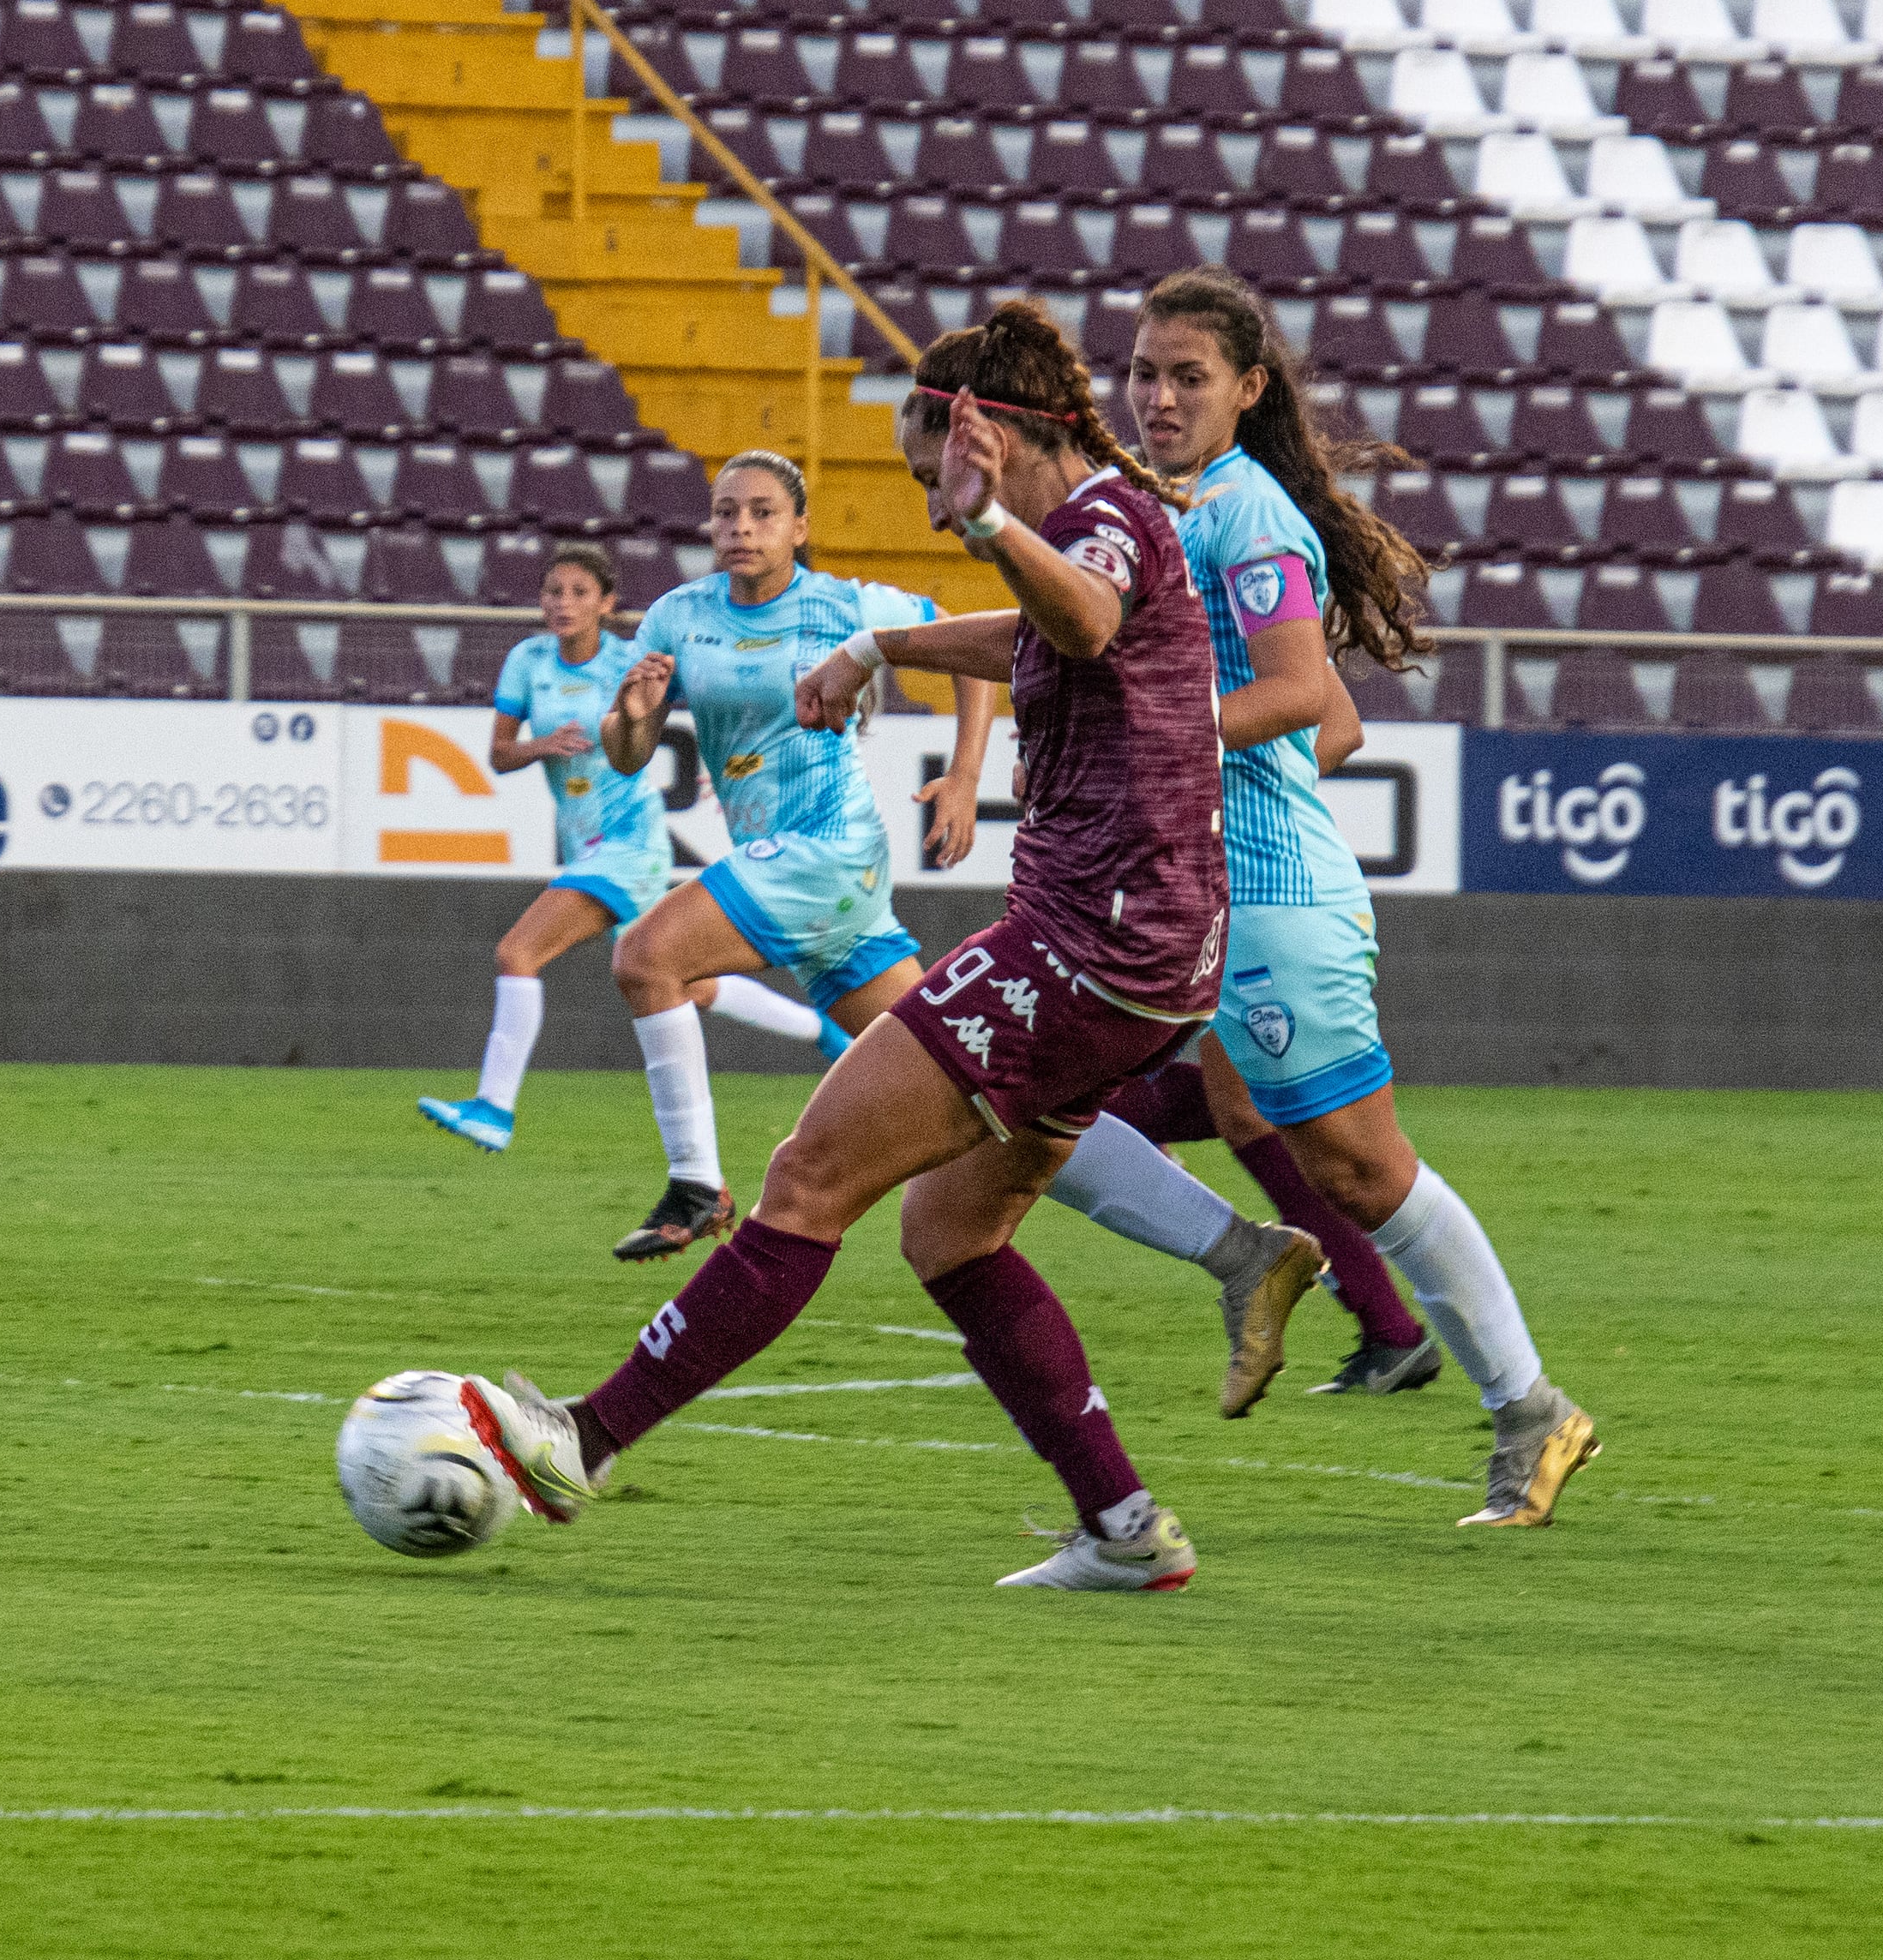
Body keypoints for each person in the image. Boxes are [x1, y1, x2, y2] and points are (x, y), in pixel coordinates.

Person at [448, 302, 1270, 1592]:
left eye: (936, 479)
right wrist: (883, 646)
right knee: (949, 1236)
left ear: (984, 440)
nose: (938, 512)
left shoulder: (1096, 522)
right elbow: (1045, 636)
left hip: (1090, 943)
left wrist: (985, 529)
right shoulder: (1097, 525)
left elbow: (1091, 620)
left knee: (809, 1177)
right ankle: (1124, 1526)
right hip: (1138, 950)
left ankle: (581, 1442)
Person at [1057, 266, 1595, 1523]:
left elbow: (1304, 697)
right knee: (1018, 1097)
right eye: (1144, 372)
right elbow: (1326, 723)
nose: (1159, 395)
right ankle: (1245, 1255)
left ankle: (1530, 1408)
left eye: (1189, 376)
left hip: (1272, 904)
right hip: (1175, 896)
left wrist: (1159, 747)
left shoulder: (1248, 517)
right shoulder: (1160, 509)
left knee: (1364, 1173)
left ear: (1249, 390)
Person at [581, 452, 999, 1264]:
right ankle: (1219, 1234)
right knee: (966, 1086)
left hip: (826, 848)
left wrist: (966, 775)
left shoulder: (844, 605)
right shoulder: (677, 615)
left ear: (800, 528)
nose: (741, 527)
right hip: (814, 887)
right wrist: (632, 716)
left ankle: (697, 1183)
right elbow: (627, 755)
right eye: (726, 512)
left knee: (644, 958)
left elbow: (972, 650)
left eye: (764, 512)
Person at [417, 542, 836, 1178]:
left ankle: (494, 1107)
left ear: (607, 603)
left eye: (579, 592)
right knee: (688, 985)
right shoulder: (526, 661)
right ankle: (823, 1030)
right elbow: (500, 754)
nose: (563, 603)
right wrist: (542, 744)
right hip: (586, 845)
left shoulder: (627, 661)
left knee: (517, 953)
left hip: (631, 845)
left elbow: (686, 716)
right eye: (553, 591)